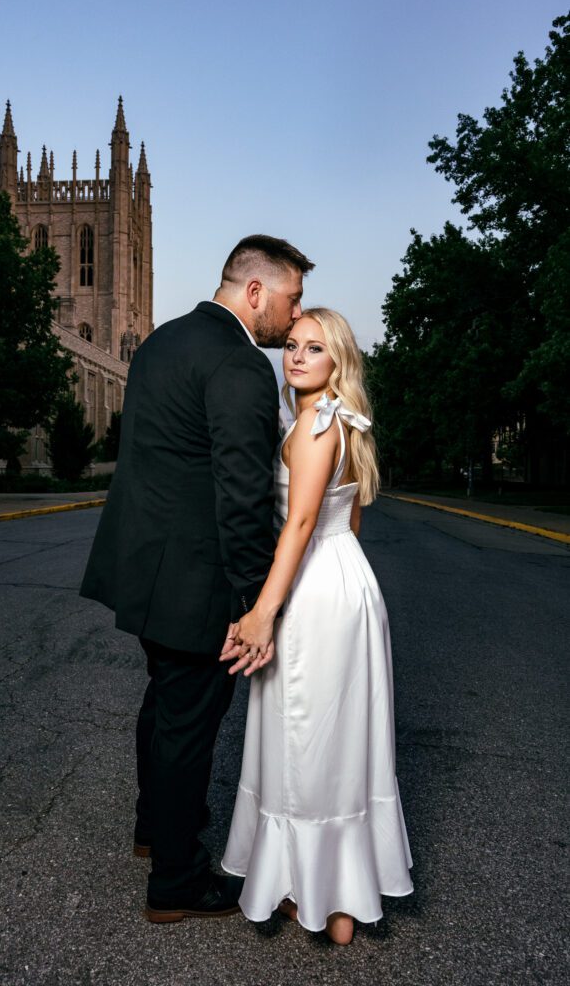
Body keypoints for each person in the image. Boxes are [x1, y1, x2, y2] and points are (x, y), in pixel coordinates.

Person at [79, 234, 315, 922]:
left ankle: (154, 831)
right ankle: (176, 883)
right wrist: (254, 605)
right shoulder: (239, 365)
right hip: (196, 580)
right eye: (290, 298)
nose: (292, 314)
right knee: (188, 724)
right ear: (253, 291)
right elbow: (240, 496)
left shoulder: (161, 343)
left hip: (145, 569)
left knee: (163, 707)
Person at [220, 307, 413, 944]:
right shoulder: (346, 422)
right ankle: (342, 901)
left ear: (338, 363)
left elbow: (298, 528)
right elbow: (349, 523)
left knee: (305, 739)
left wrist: (261, 613)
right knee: (344, 741)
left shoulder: (312, 424)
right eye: (293, 346)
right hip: (352, 585)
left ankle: (311, 890)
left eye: (314, 349)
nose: (296, 357)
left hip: (314, 590)